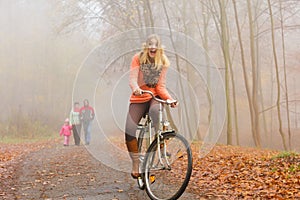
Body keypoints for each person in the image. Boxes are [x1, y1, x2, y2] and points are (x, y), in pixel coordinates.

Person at [125, 34, 177, 179]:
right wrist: (136, 88)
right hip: (139, 97)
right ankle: (136, 164)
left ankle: (160, 143)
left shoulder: (163, 62)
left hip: (154, 97)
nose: (152, 47)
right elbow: (132, 79)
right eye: (150, 44)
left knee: (156, 112)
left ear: (159, 48)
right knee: (129, 130)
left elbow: (161, 87)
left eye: (155, 45)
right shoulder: (138, 58)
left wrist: (170, 99)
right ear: (146, 46)